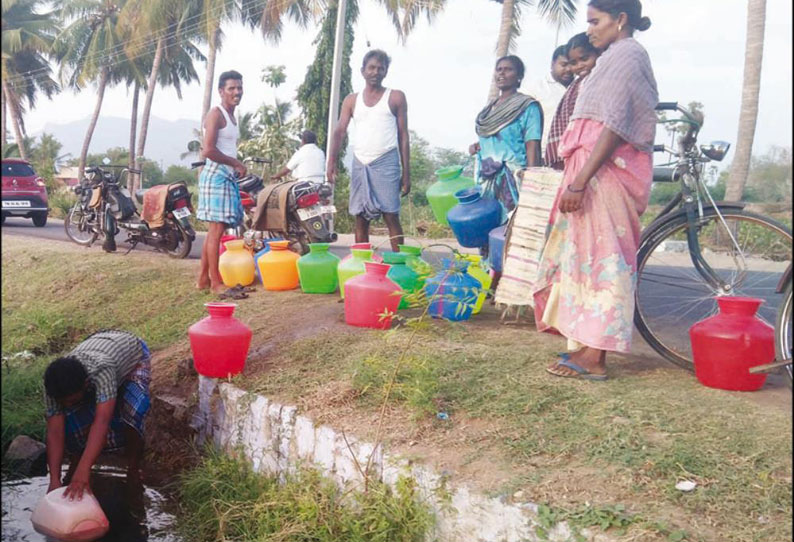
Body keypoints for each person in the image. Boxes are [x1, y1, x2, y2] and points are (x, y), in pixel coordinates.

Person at [534, 0, 658, 381]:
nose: (589, 29)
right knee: (585, 261)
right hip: (592, 173)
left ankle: (597, 357)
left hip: (603, 176)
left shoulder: (627, 56)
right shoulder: (612, 56)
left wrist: (580, 180)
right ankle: (587, 344)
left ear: (620, 20)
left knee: (606, 263)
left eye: (595, 21)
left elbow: (614, 126)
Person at [44, 330, 151, 500]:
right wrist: (54, 480)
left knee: (132, 412)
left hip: (131, 355)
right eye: (62, 401)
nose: (66, 405)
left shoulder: (102, 371)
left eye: (71, 400)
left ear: (86, 385)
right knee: (72, 421)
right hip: (98, 344)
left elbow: (101, 422)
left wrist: (84, 471)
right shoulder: (54, 385)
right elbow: (55, 432)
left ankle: (133, 467)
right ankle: (75, 463)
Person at [327, 49, 410, 253]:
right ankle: (362, 264)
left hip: (386, 161)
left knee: (391, 214)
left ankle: (399, 264)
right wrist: (331, 161)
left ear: (386, 72)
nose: (376, 72)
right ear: (363, 71)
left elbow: (403, 136)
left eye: (381, 68)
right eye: (371, 67)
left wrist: (406, 174)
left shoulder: (396, 97)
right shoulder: (351, 100)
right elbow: (339, 131)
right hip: (360, 162)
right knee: (360, 217)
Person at [468, 55, 543, 218]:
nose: (501, 73)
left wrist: (532, 182)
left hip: (513, 178)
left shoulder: (528, 107)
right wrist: (477, 145)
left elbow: (533, 145)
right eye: (499, 69)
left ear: (519, 77)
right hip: (486, 178)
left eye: (508, 69)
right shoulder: (489, 109)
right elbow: (494, 139)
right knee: (488, 227)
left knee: (513, 226)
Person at [196, 70, 247, 294]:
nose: (236, 92)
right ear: (221, 91)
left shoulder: (232, 116)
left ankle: (203, 280)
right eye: (231, 88)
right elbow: (208, 150)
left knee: (215, 230)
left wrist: (233, 165)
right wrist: (235, 162)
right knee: (216, 231)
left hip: (225, 175)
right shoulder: (216, 114)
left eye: (239, 88)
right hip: (217, 174)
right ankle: (216, 283)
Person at [544, 33, 601, 170]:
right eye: (573, 63)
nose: (579, 66)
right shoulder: (576, 86)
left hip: (595, 151)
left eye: (584, 59)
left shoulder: (601, 81)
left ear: (599, 54)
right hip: (572, 153)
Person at [527, 46, 574, 153]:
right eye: (563, 64)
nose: (568, 69)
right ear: (552, 64)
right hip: (543, 154)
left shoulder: (580, 86)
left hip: (572, 154)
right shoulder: (535, 88)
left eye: (572, 64)